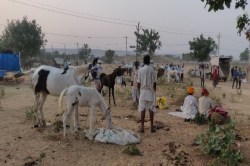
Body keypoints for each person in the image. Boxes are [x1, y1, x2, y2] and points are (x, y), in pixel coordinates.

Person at [137, 55, 157, 133]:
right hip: (151, 92)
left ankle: (142, 128)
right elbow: (154, 83)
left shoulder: (140, 70)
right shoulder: (152, 70)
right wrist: (155, 92)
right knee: (151, 110)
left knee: (142, 110)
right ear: (149, 61)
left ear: (143, 61)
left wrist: (139, 91)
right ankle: (151, 127)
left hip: (143, 92)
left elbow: (138, 83)